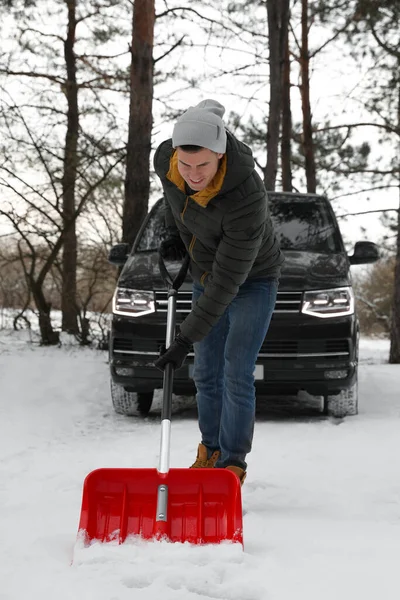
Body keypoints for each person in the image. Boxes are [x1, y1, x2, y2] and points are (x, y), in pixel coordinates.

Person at [153, 99, 284, 484]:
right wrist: (173, 234)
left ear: (221, 155)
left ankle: (232, 463)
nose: (193, 174)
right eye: (186, 164)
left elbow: (228, 282)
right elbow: (173, 200)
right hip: (208, 270)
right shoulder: (166, 162)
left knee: (236, 371)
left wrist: (183, 338)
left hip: (252, 278)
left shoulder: (247, 198)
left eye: (203, 166)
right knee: (206, 372)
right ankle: (209, 450)